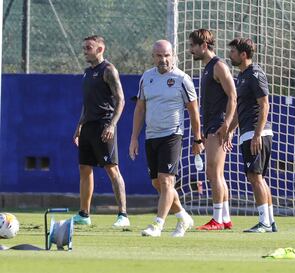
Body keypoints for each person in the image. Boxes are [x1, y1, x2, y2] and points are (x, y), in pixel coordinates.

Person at [129, 40, 204, 237]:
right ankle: (182, 216)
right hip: (151, 135)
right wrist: (134, 138)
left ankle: (157, 225)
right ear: (153, 57)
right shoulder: (147, 77)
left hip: (172, 134)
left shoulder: (182, 79)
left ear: (173, 55)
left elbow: (194, 111)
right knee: (157, 183)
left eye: (167, 55)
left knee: (166, 181)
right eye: (159, 56)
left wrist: (198, 139)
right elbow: (140, 108)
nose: (163, 59)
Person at [72, 35, 130, 228]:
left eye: (88, 47)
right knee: (84, 168)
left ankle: (123, 214)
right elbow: (86, 102)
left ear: (100, 49)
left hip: (104, 126)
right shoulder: (87, 72)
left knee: (112, 169)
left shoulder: (109, 70)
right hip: (88, 127)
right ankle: (84, 214)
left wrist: (112, 125)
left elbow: (120, 100)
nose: (85, 51)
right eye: (84, 47)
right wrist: (79, 125)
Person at [188, 29, 237, 230]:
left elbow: (233, 96)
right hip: (210, 125)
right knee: (217, 174)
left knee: (213, 172)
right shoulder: (207, 67)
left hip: (218, 126)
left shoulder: (218, 66)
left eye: (193, 45)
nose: (190, 50)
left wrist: (227, 125)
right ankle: (225, 218)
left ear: (204, 46)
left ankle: (216, 219)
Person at [227, 37, 277, 232]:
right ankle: (270, 222)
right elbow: (241, 110)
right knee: (258, 178)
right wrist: (230, 130)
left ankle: (264, 222)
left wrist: (257, 135)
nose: (230, 54)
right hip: (247, 132)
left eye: (233, 51)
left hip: (257, 133)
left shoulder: (255, 74)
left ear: (243, 54)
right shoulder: (242, 76)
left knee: (254, 177)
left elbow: (265, 104)